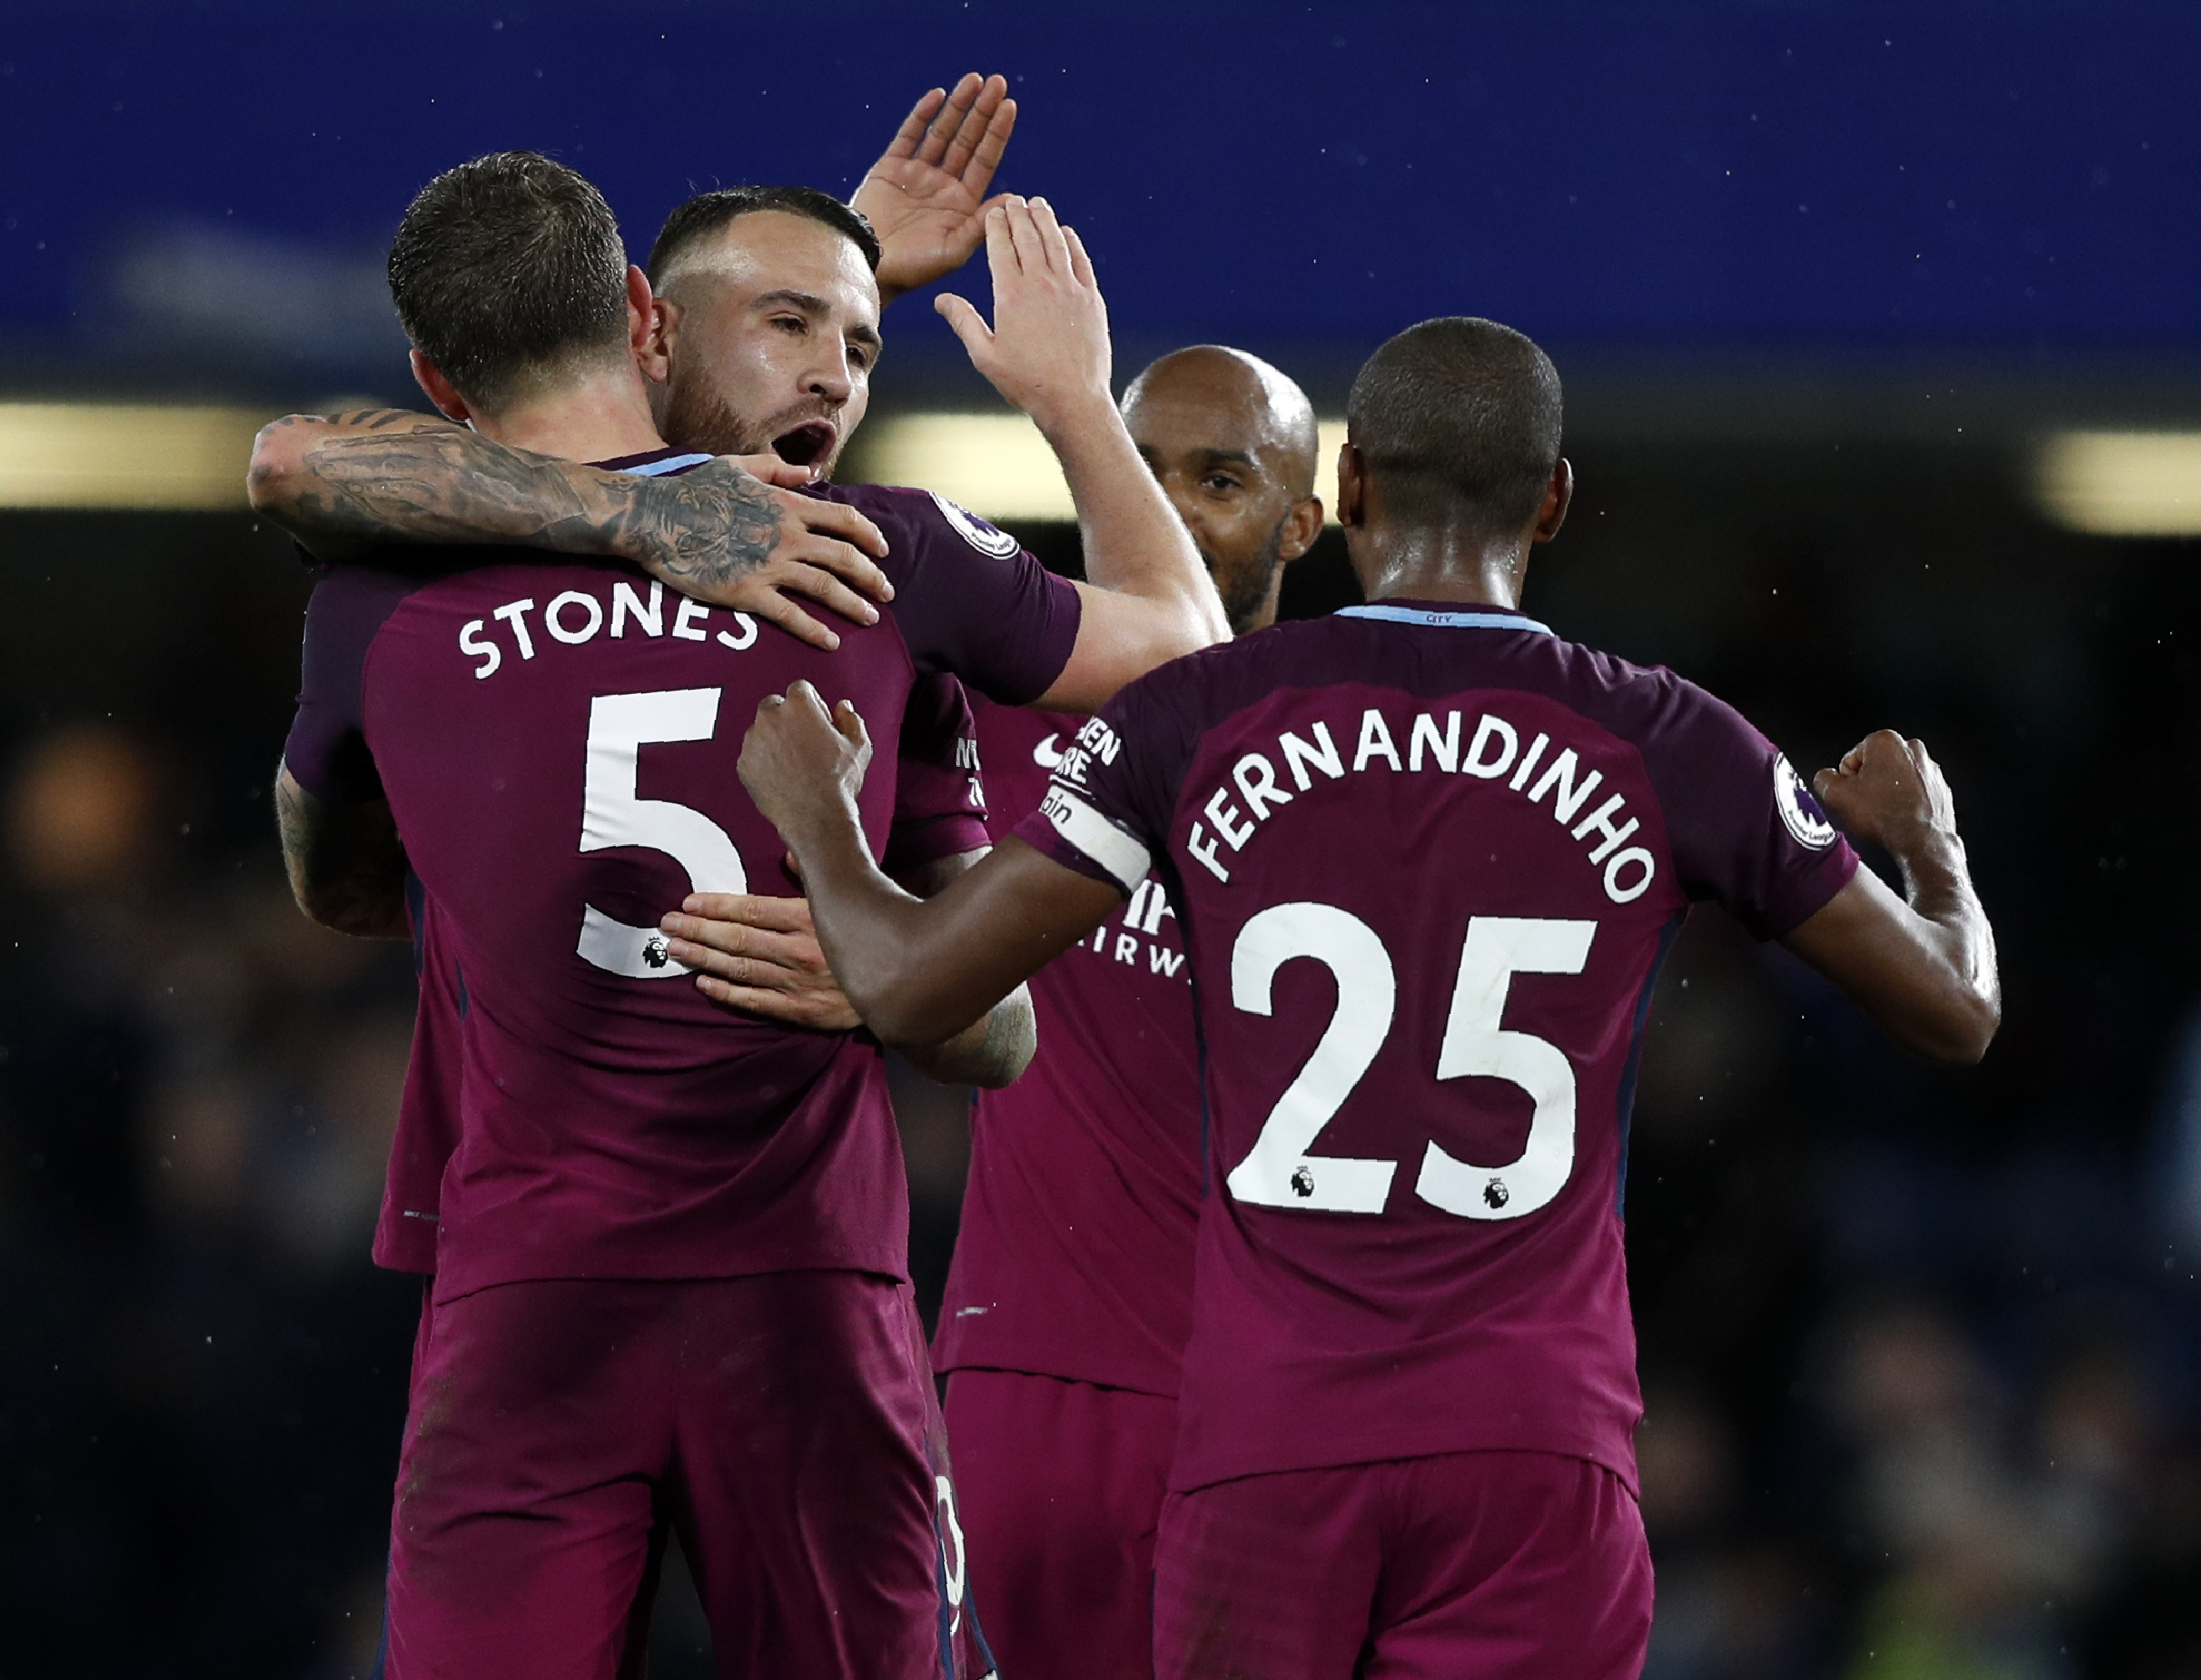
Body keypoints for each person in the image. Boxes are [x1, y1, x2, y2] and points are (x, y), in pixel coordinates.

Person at [730, 316, 2002, 1680]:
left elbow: (913, 986)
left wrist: (821, 823)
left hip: (1274, 1436)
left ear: (1341, 495)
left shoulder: (1194, 718)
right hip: (1536, 1442)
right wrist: (1931, 844)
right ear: (1555, 500)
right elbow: (1958, 1009)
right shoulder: (1670, 738)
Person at [279, 150, 1203, 1680]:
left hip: (529, 1297)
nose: (835, 371)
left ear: (438, 379)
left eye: (855, 341)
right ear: (645, 321)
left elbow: (338, 885)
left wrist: (506, 881)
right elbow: (1185, 663)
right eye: (793, 326)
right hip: (806, 1296)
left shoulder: (376, 597)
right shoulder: (878, 565)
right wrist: (1073, 403)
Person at [657, 344, 1326, 1679]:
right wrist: (865, 970)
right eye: (1138, 469)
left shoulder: (1363, 765)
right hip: (1044, 1373)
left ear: (1305, 523)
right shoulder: (994, 716)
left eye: (1221, 480)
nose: (1170, 510)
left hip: (1305, 1393)